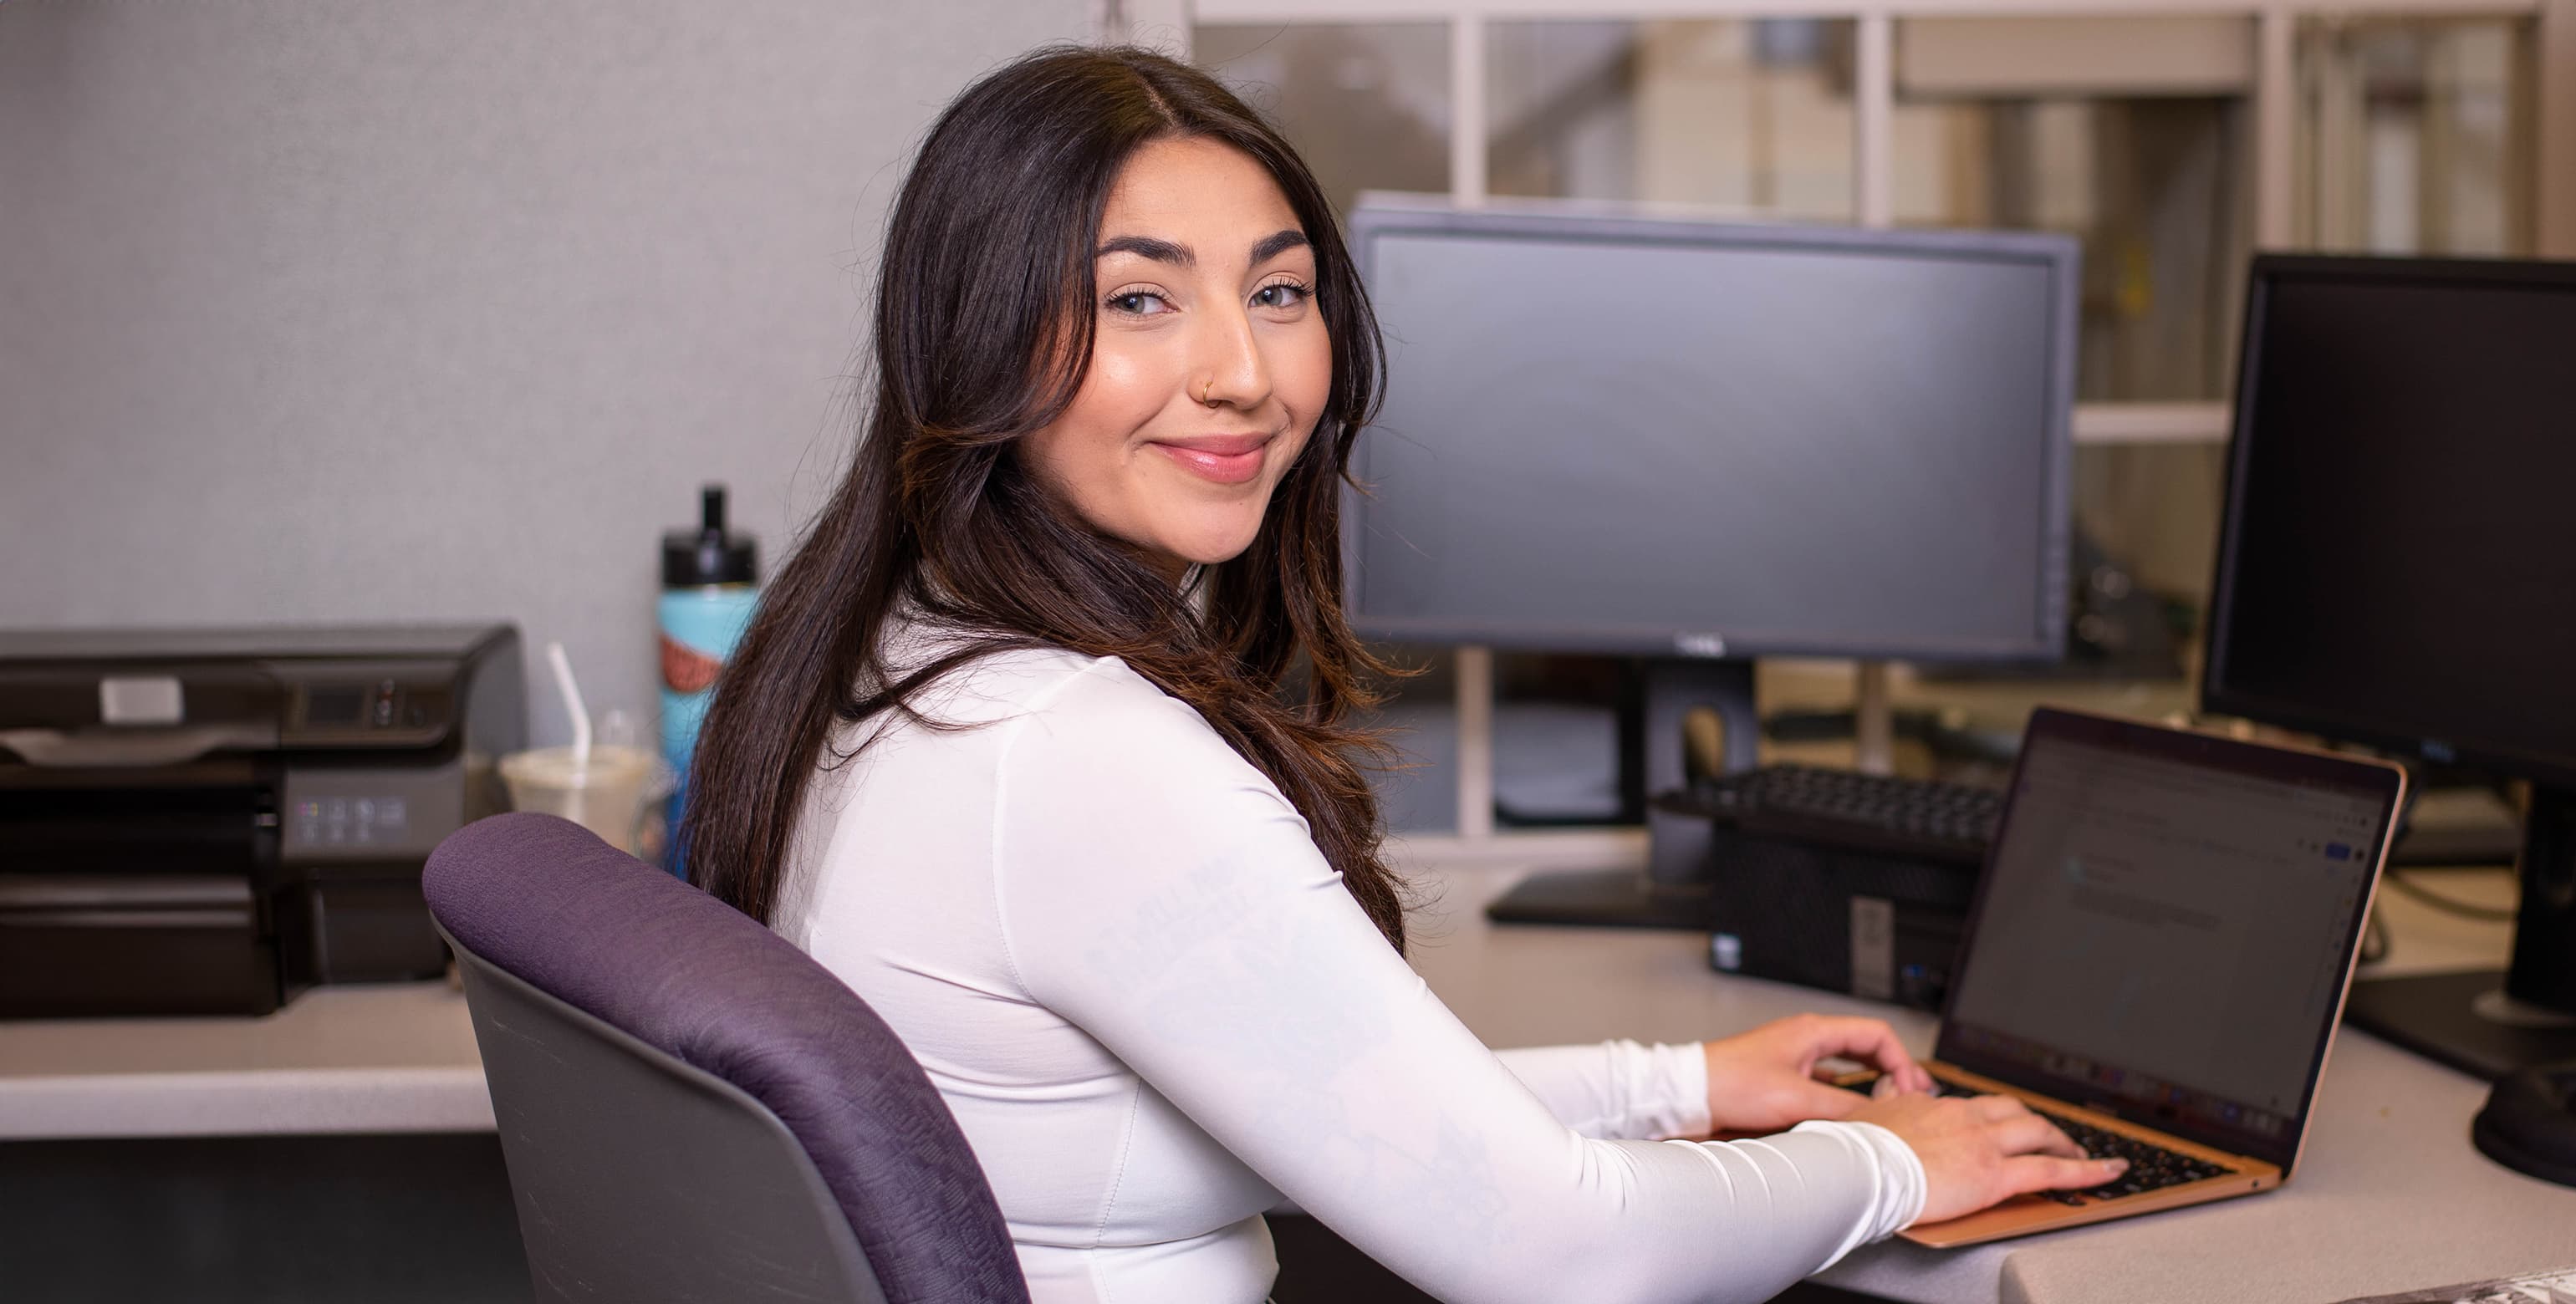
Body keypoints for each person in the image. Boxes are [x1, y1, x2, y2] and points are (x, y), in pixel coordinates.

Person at [681, 45, 2121, 1304]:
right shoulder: (1075, 752)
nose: (1244, 370)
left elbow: (1317, 1102)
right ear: (975, 332)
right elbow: (1561, 1255)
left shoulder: (900, 657)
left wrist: (1673, 1089)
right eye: (1140, 301)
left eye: (1280, 289)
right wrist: (1882, 1166)